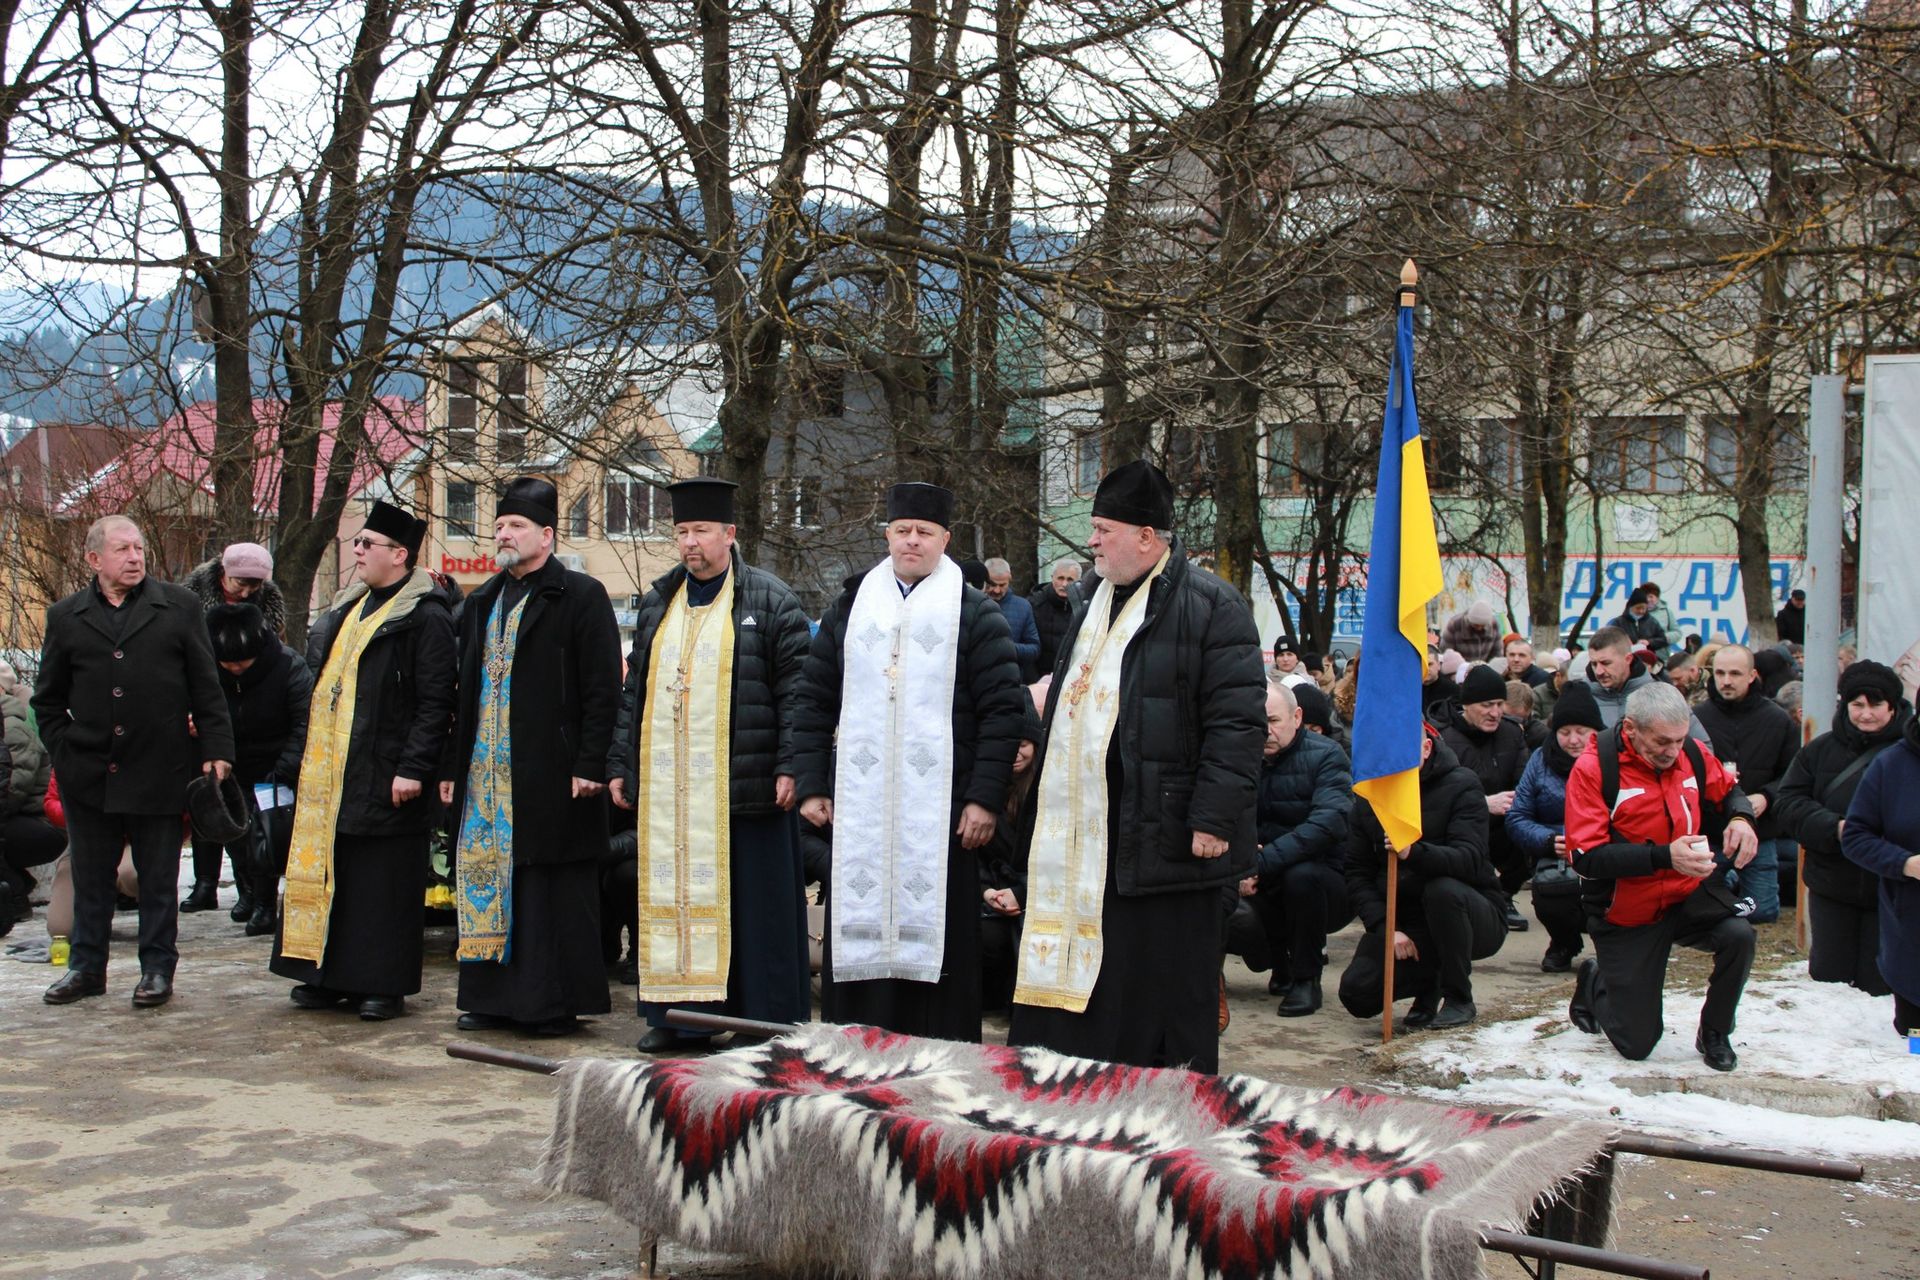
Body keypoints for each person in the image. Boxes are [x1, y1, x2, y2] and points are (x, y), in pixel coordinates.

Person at [1008, 460, 1264, 1073]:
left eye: (1102, 528)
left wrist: (1213, 819)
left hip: (1171, 834)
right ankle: (1070, 1083)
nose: (1091, 541)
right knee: (1098, 982)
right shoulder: (1093, 600)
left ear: (1146, 537)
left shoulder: (1213, 606)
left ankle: (1163, 1108)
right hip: (1090, 833)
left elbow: (1237, 724)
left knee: (1163, 986)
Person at [793, 481, 1026, 1041]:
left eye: (924, 533)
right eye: (902, 531)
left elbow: (1002, 712)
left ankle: (938, 1049)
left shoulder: (975, 613)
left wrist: (983, 798)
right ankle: (857, 1042)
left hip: (943, 810)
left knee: (942, 936)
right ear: (888, 535)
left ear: (945, 538)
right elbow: (815, 696)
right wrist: (809, 783)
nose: (912, 542)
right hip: (864, 805)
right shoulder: (852, 605)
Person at [609, 477, 815, 1052]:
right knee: (676, 903)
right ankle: (677, 1018)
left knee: (756, 912)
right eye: (681, 532)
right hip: (673, 795)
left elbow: (797, 692)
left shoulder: (771, 599)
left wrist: (791, 766)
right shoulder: (658, 602)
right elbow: (636, 692)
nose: (690, 543)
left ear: (729, 533)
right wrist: (621, 764)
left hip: (745, 786)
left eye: (701, 531)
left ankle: (763, 1022)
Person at [443, 479, 622, 1038]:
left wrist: (591, 763)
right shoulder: (481, 600)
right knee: (489, 879)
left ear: (546, 535)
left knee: (549, 890)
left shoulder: (580, 595)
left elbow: (601, 689)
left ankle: (552, 1002)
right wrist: (452, 767)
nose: (503, 534)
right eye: (499, 526)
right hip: (485, 774)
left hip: (553, 771)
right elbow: (462, 689)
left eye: (516, 526)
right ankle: (490, 998)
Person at [33, 515, 235, 1008]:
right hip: (90, 773)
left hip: (159, 766)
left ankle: (157, 970)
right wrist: (66, 749)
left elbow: (207, 688)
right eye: (122, 549)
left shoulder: (179, 607)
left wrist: (216, 751)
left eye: (139, 548)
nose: (134, 557)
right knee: (92, 878)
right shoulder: (66, 616)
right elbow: (47, 700)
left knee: (158, 879)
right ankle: (85, 968)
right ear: (94, 559)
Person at [270, 499, 457, 1022]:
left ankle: (381, 983)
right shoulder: (350, 605)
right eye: (357, 542)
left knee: (382, 886)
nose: (356, 551)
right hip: (334, 771)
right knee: (339, 875)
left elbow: (435, 700)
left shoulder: (426, 616)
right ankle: (325, 975)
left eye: (366, 544)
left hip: (387, 769)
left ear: (399, 555)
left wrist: (415, 767)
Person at [1564, 682, 1760, 1071]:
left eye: (1680, 739)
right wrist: (1664, 857)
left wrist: (1742, 818)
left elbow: (1730, 791)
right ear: (1631, 728)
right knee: (1636, 1044)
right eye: (1662, 742)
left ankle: (1716, 1032)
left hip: (1687, 893)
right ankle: (1595, 980)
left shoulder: (1691, 753)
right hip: (1627, 909)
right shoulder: (1594, 768)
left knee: (1740, 935)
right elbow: (1586, 857)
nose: (1673, 751)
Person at [1338, 728, 1508, 1030]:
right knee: (1358, 993)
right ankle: (1428, 984)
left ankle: (1458, 997)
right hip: (1406, 921)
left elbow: (1469, 859)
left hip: (1470, 911)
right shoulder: (1370, 795)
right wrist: (1387, 928)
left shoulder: (1462, 784)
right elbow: (1357, 872)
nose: (1394, 760)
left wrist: (1413, 853)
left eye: (1404, 750)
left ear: (1426, 748)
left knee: (1442, 891)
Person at [1777, 661, 1907, 995]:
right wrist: (1835, 828)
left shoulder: (1909, 754)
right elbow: (1789, 803)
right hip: (1832, 883)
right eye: (1857, 705)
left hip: (1892, 888)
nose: (1866, 714)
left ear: (1893, 706)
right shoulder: (1819, 750)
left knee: (1883, 985)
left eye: (1875, 705)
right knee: (1828, 982)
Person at [181, 542, 291, 915]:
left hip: (247, 710)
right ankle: (205, 882)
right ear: (222, 573)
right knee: (209, 800)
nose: (244, 592)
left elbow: (274, 655)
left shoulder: (268, 607)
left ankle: (248, 889)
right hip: (205, 703)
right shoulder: (191, 599)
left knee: (247, 810)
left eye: (253, 587)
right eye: (239, 583)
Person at [204, 604, 313, 938]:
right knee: (234, 833)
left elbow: (305, 722)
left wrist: (285, 768)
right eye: (228, 664)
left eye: (243, 663)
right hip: (230, 763)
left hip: (276, 766)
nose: (236, 669)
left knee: (265, 835)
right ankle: (247, 891)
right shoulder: (207, 671)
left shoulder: (288, 666)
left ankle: (266, 902)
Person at [1245, 683, 1351, 1017]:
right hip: (1260, 868)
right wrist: (1242, 862)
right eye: (1258, 722)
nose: (1266, 731)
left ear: (1297, 717)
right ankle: (1276, 964)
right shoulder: (1243, 758)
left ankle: (1307, 979)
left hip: (1324, 878)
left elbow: (1327, 824)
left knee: (1300, 878)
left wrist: (1261, 861)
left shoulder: (1327, 755)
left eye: (1274, 720)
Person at [1692, 644, 1798, 925]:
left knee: (1763, 912)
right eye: (1720, 673)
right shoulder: (1696, 719)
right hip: (1710, 830)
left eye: (1735, 673)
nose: (1726, 681)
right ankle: (1727, 891)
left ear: (1752, 675)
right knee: (1698, 908)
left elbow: (1793, 773)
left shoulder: (1777, 719)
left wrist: (1766, 796)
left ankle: (1731, 891)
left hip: (1760, 829)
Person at [1507, 681, 1606, 972]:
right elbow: (1518, 816)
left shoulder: (1611, 760)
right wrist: (1549, 840)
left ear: (1595, 732)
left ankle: (1611, 946)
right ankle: (1564, 941)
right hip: (1557, 851)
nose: (1573, 740)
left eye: (1581, 732)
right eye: (1565, 732)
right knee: (1550, 891)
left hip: (1604, 849)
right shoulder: (1540, 760)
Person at [1841, 701, 1920, 1037]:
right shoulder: (1891, 765)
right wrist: (1905, 863)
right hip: (1912, 929)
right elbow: (1856, 836)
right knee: (1915, 1045)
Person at [1442, 664, 1533, 932]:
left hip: (1504, 820)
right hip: (1462, 822)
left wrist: (1517, 802)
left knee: (1528, 827)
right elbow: (1440, 796)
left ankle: (1503, 895)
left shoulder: (1512, 734)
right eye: (1486, 705)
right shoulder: (1444, 739)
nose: (1494, 713)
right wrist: (1483, 803)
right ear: (1467, 705)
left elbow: (1524, 779)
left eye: (1499, 704)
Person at [979, 706, 1043, 1013]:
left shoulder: (1044, 792)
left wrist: (1022, 893)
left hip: (1033, 892)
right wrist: (987, 891)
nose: (1016, 753)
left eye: (1024, 745)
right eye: (1011, 744)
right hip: (993, 892)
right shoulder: (988, 791)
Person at [0, 674, 63, 933]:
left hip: (42, 825)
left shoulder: (12, 725)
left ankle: (15, 894)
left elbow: (11, 791)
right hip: (15, 819)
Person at [1586, 626, 1708, 741]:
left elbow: (1702, 748)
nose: (1599, 671)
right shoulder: (1580, 697)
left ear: (1628, 659)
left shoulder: (1663, 696)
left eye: (1606, 663)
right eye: (1594, 664)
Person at [983, 557, 1042, 683]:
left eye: (1002, 585)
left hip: (1010, 680)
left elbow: (1034, 648)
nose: (997, 590)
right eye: (992, 584)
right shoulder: (972, 604)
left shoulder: (1023, 607)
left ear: (1009, 579)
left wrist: (1007, 648)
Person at [1026, 558, 1082, 677]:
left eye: (1070, 579)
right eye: (1060, 578)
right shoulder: (1035, 604)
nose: (1064, 584)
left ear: (1078, 581)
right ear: (1052, 578)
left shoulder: (1084, 606)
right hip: (1039, 676)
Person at [1610, 586, 1669, 656]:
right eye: (1638, 608)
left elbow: (1663, 640)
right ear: (1630, 607)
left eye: (1643, 608)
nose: (1641, 611)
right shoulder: (1619, 622)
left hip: (1647, 660)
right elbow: (1611, 641)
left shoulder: (1652, 622)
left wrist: (1649, 642)